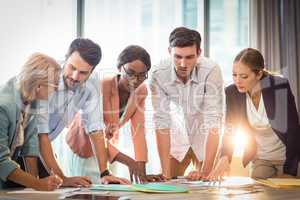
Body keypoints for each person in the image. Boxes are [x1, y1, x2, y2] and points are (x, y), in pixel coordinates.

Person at [36, 38, 129, 187]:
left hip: (40, 148)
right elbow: (41, 134)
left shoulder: (92, 82)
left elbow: (95, 129)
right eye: (72, 67)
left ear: (91, 71)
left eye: (83, 72)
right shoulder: (48, 76)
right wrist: (62, 178)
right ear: (66, 59)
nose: (74, 76)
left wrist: (104, 173)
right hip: (18, 144)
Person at [66, 45, 164, 183]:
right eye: (130, 73)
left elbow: (139, 131)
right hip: (84, 147)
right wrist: (129, 161)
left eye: (142, 75)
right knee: (87, 192)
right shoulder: (102, 86)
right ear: (119, 67)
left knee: (111, 192)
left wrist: (141, 170)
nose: (135, 80)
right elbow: (92, 129)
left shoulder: (141, 91)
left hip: (109, 152)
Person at [208, 48, 300, 180]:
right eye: (234, 75)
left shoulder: (278, 86)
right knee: (258, 190)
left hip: (288, 157)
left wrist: (290, 171)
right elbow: (230, 128)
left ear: (258, 74)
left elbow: (293, 130)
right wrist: (225, 157)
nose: (237, 81)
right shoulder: (232, 92)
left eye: (244, 76)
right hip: (261, 159)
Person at [150, 27, 224, 180]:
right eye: (177, 56)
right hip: (176, 141)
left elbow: (214, 121)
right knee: (167, 186)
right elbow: (161, 123)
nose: (183, 64)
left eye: (190, 57)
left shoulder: (211, 70)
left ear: (199, 53)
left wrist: (205, 172)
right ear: (169, 51)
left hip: (205, 139)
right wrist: (165, 174)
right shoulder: (159, 73)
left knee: (207, 189)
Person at [0, 53, 63, 190]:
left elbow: (31, 147)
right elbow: (1, 162)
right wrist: (38, 184)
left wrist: (36, 186)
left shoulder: (31, 101)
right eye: (55, 85)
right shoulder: (4, 106)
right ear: (39, 85)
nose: (57, 89)